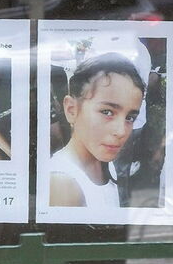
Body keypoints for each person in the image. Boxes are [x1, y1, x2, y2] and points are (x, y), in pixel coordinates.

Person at [49, 52, 146, 207]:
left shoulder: (104, 162)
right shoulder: (63, 185)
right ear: (71, 110)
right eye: (107, 112)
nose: (121, 132)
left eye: (130, 117)